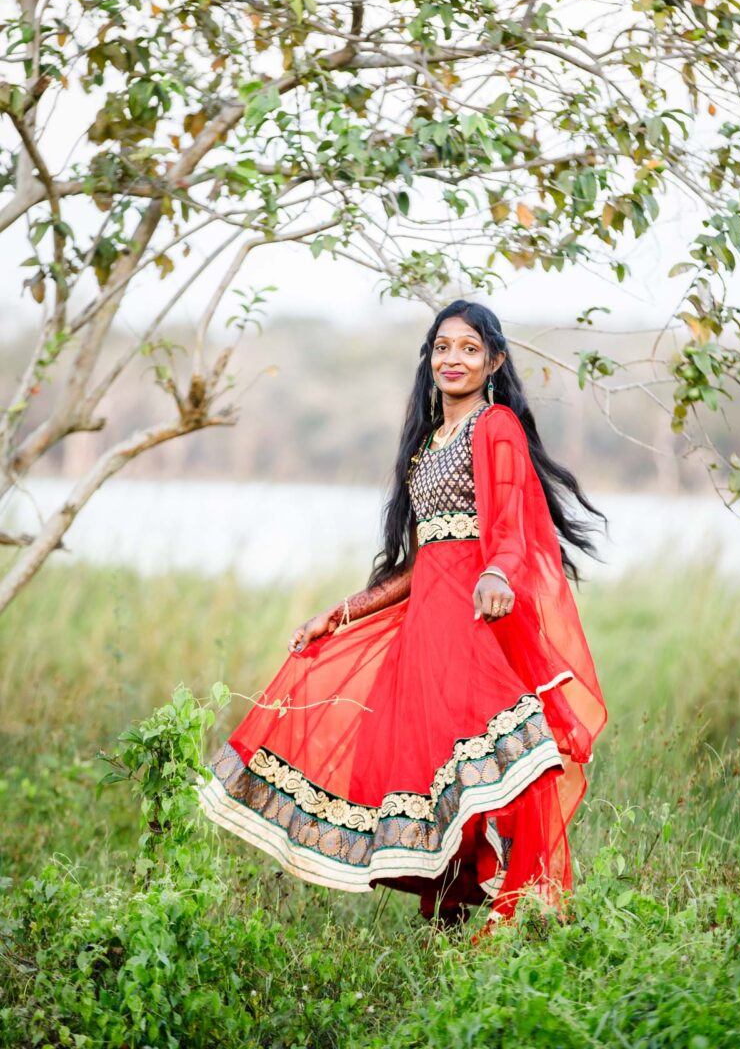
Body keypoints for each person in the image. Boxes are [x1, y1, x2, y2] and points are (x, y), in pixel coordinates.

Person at [197, 299, 607, 935]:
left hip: (477, 624)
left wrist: (497, 574)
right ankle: (448, 921)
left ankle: (530, 917)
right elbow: (424, 563)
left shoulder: (495, 426)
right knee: (433, 770)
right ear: (429, 357)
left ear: (494, 361)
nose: (454, 359)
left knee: (503, 766)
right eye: (443, 346)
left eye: (470, 348)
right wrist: (341, 613)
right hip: (426, 631)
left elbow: (510, 526)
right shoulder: (424, 446)